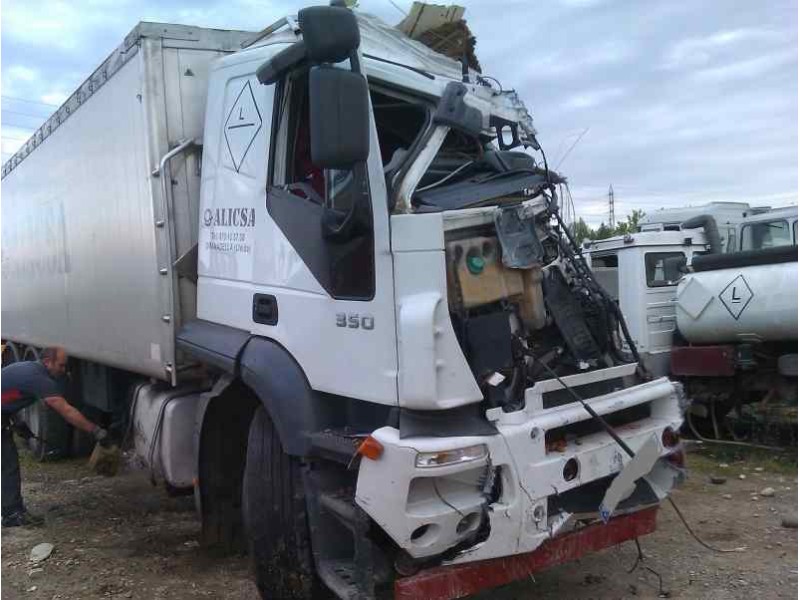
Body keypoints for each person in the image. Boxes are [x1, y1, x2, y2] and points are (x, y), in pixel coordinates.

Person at [2, 347, 108, 527]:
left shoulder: (30, 370)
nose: (64, 370)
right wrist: (97, 431)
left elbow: (6, 396)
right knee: (8, 464)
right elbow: (66, 410)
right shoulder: (40, 379)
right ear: (47, 362)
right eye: (61, 365)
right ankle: (12, 514)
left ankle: (12, 511)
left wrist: (16, 422)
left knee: (7, 463)